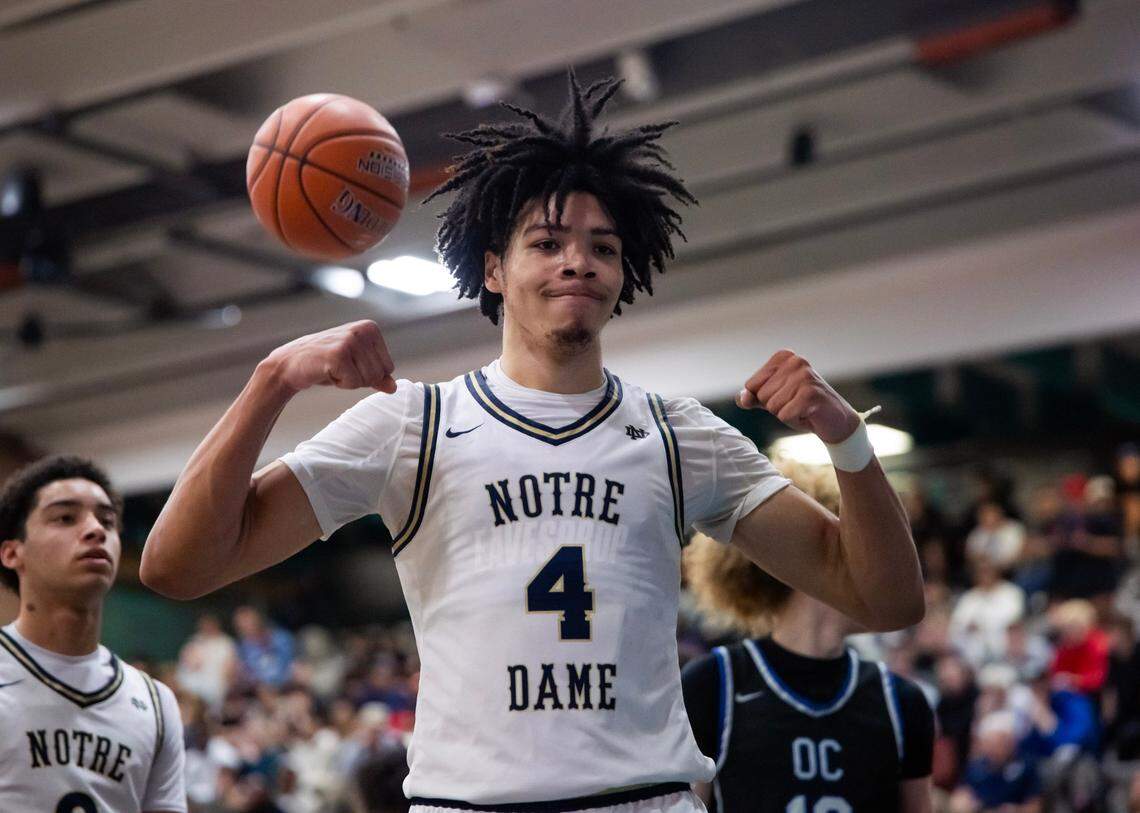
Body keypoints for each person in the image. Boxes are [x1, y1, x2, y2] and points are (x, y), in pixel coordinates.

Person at [141, 72, 923, 809]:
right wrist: (274, 378)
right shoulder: (413, 423)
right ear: (492, 268)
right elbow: (178, 565)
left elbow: (885, 597)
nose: (578, 260)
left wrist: (846, 439)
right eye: (547, 242)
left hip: (643, 794)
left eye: (603, 246)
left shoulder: (679, 432)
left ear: (626, 273)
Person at [682, 460, 934, 812]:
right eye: (867, 558)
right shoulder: (712, 685)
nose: (883, 576)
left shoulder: (902, 702)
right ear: (823, 554)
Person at [0, 455, 186, 813]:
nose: (95, 530)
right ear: (12, 553)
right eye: (66, 518)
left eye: (107, 520)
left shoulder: (156, 703)